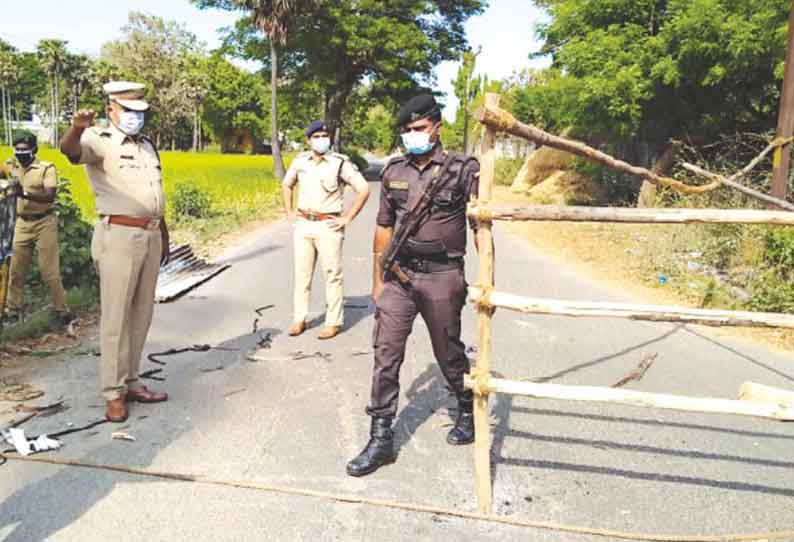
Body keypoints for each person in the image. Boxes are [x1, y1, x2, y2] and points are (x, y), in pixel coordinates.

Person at [347, 94, 483, 477]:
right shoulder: (394, 172)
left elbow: (480, 227)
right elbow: (383, 228)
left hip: (442, 276)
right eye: (406, 131)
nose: (413, 136)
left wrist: (488, 276)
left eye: (419, 129)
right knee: (385, 354)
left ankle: (466, 407)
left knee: (448, 351)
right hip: (400, 277)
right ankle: (381, 437)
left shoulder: (463, 169)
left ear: (438, 126)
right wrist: (377, 281)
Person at [59, 81, 169, 423]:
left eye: (141, 111)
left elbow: (154, 193)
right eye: (129, 110)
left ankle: (133, 380)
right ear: (112, 110)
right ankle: (113, 392)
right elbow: (70, 151)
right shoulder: (98, 139)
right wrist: (76, 128)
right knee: (116, 318)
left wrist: (164, 235)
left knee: (141, 315)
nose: (137, 117)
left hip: (150, 234)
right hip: (118, 235)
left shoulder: (148, 146)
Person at [282, 120, 370, 340]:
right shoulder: (300, 161)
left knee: (332, 275)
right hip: (304, 223)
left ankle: (333, 321)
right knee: (302, 275)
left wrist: (347, 217)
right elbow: (287, 184)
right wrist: (289, 212)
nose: (321, 139)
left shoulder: (340, 163)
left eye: (324, 135)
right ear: (308, 140)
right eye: (317, 136)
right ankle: (299, 318)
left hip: (328, 225)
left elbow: (363, 188)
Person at [0, 133, 70, 325]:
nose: (20, 153)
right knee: (16, 270)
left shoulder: (46, 168)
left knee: (49, 271)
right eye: (18, 149)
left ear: (34, 150)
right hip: (21, 223)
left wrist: (23, 192)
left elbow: (49, 196)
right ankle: (13, 310)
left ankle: (61, 311)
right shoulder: (11, 166)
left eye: (25, 149)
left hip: (44, 222)